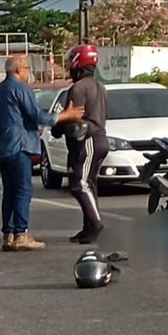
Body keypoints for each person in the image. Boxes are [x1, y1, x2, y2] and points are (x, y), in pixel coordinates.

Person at [0, 55, 84, 252]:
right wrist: (65, 115)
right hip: (20, 145)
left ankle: (8, 234)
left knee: (9, 192)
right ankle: (21, 233)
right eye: (26, 68)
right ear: (18, 70)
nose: (28, 72)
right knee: (23, 190)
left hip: (3, 147)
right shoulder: (21, 89)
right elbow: (36, 116)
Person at [57, 44, 109, 245]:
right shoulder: (99, 87)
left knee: (80, 184)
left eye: (71, 61)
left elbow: (72, 117)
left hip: (87, 140)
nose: (69, 65)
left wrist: (57, 127)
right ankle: (88, 228)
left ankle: (96, 225)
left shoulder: (78, 88)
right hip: (99, 139)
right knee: (90, 184)